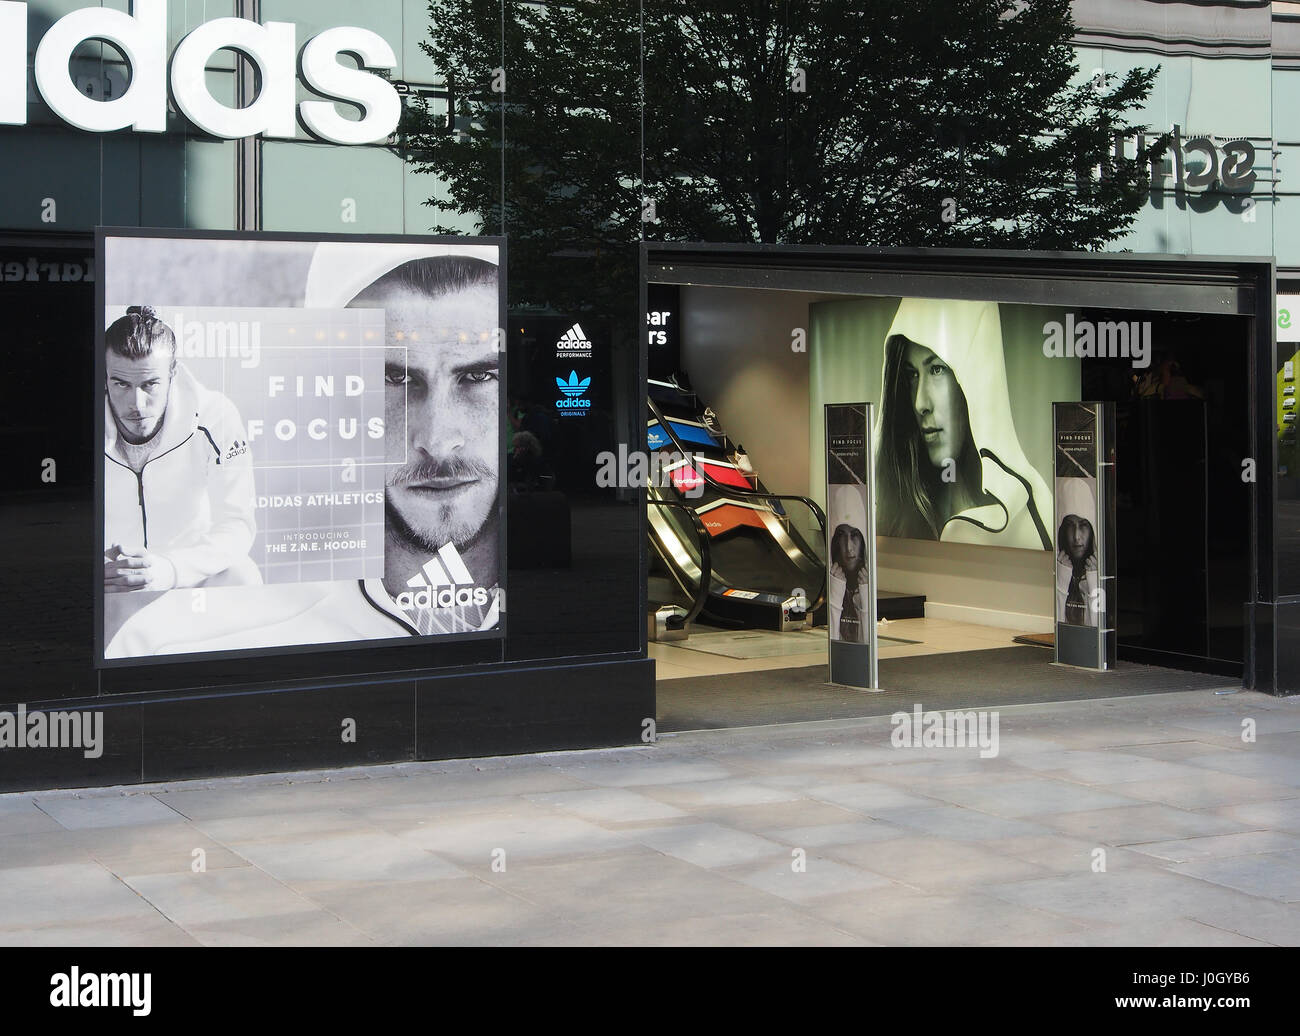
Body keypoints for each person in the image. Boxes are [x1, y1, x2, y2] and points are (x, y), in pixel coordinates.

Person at [105, 247, 502, 657]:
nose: (437, 440)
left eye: (480, 376)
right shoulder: (173, 642)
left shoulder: (563, 612)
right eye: (394, 378)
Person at [103, 306, 258, 602]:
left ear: (173, 371)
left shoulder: (215, 416)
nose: (136, 403)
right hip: (111, 583)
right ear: (105, 375)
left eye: (150, 384)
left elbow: (238, 525)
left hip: (186, 576)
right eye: (121, 383)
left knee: (244, 575)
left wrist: (170, 569)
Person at [875, 298, 1052, 551]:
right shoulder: (887, 513)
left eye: (936, 369)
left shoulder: (1037, 518)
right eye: (911, 375)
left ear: (975, 377)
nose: (919, 403)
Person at [1056, 479, 1099, 627]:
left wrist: (1093, 582)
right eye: (1070, 526)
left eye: (1083, 525)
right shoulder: (1059, 568)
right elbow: (1059, 631)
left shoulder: (1099, 570)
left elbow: (1095, 632)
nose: (1076, 536)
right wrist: (1062, 580)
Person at [828, 523, 868, 643]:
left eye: (854, 535)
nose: (849, 547)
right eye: (842, 535)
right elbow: (833, 647)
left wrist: (866, 595)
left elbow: (866, 649)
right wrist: (835, 592)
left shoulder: (868, 582)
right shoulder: (830, 580)